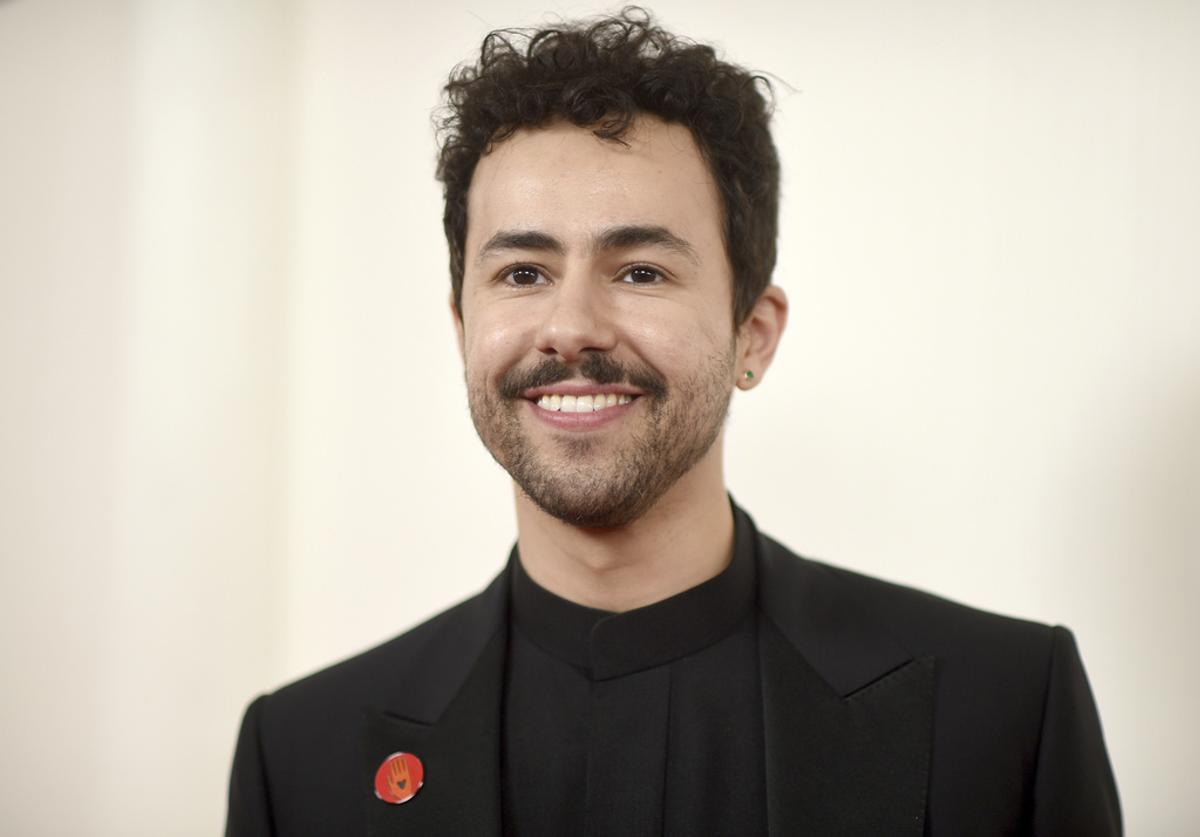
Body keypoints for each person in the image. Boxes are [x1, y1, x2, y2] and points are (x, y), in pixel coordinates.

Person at [225, 9, 1121, 835]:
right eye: (523, 273)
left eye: (641, 270)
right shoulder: (300, 757)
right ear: (463, 328)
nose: (571, 326)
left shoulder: (1003, 708)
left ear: (752, 334)